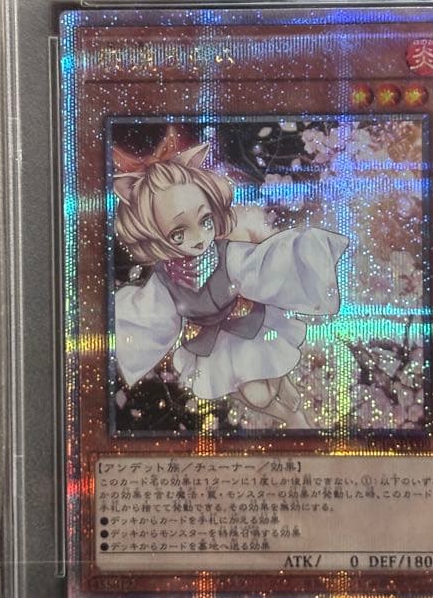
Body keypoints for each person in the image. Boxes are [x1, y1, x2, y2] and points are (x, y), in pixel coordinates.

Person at [112, 131, 347, 428]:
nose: (199, 239)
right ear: (154, 237)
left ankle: (285, 391)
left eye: (205, 221)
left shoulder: (227, 254)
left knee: (267, 377)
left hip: (249, 324)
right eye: (178, 234)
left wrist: (304, 252)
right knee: (253, 395)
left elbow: (262, 267)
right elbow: (150, 316)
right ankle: (290, 416)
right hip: (212, 342)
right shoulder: (164, 279)